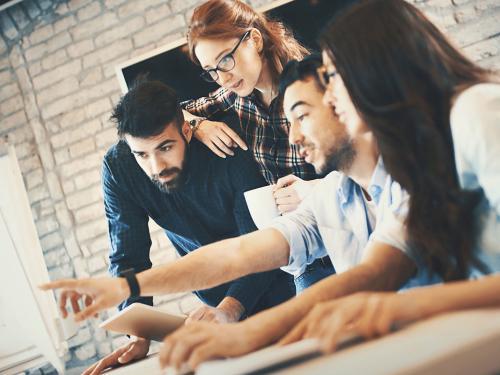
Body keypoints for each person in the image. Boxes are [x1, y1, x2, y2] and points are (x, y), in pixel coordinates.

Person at [41, 55, 438, 370]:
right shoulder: (330, 197)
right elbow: (242, 252)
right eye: (141, 154)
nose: (293, 136)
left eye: (300, 116)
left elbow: (371, 277)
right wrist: (127, 295)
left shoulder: (417, 180)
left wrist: (249, 327)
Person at [277, 0, 500, 352]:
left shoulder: (475, 110)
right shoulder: (423, 155)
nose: (331, 98)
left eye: (332, 77)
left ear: (374, 66)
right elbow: (376, 265)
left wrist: (403, 307)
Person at [68, 80, 295, 374]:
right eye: (142, 154)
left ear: (187, 130)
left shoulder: (228, 142)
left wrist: (230, 308)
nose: (156, 166)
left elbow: (261, 242)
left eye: (165, 147)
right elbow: (128, 257)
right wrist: (138, 330)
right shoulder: (118, 168)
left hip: (281, 286)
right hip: (213, 306)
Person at [182, 0, 335, 290]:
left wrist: (316, 190)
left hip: (346, 235)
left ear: (253, 39)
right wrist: (197, 125)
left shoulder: (312, 81)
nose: (222, 78)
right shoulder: (236, 95)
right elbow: (171, 112)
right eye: (211, 70)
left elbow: (373, 165)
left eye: (225, 60)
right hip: (303, 259)